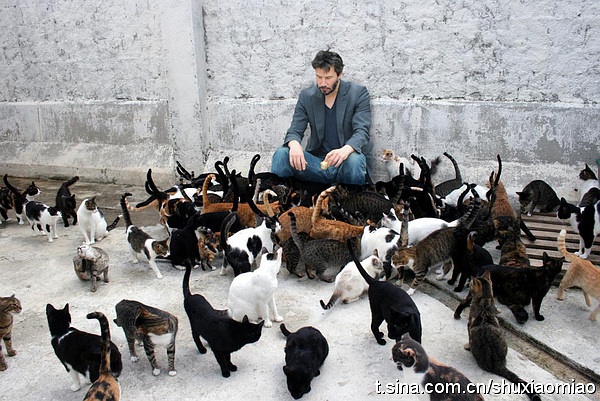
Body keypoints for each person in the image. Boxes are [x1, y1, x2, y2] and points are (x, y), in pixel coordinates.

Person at [271, 50, 373, 186]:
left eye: (328, 78)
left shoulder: (358, 94)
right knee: (282, 153)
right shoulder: (307, 96)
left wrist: (345, 150)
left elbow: (362, 132)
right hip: (316, 164)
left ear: (339, 74)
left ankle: (351, 199)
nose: (322, 83)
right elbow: (295, 130)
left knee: (355, 160)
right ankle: (278, 197)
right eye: (319, 77)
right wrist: (294, 145)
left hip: (345, 162)